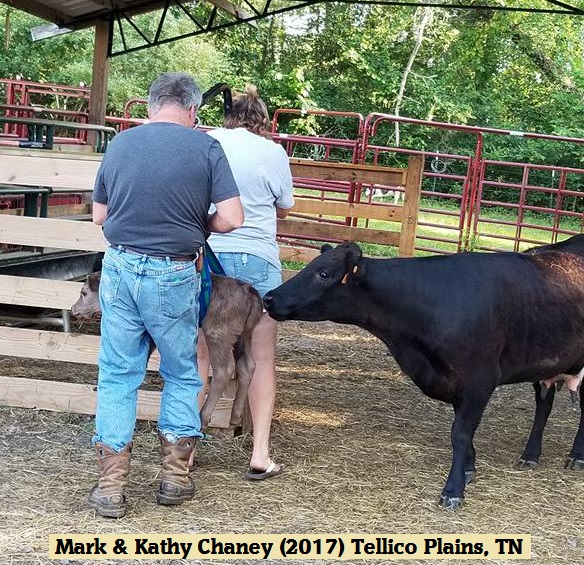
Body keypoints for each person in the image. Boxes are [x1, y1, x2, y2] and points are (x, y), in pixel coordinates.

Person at [89, 72, 243, 518]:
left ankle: (110, 487)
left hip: (119, 267)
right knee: (180, 371)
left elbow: (100, 216)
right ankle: (174, 478)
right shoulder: (207, 147)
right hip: (174, 271)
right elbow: (232, 217)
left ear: (153, 105)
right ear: (194, 109)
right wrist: (199, 224)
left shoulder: (120, 144)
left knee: (119, 374)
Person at [199, 84, 294, 480]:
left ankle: (185, 451)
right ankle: (260, 453)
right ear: (262, 120)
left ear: (228, 116)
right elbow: (284, 208)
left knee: (202, 356)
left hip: (212, 258)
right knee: (262, 359)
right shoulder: (274, 152)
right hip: (258, 262)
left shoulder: (208, 142)